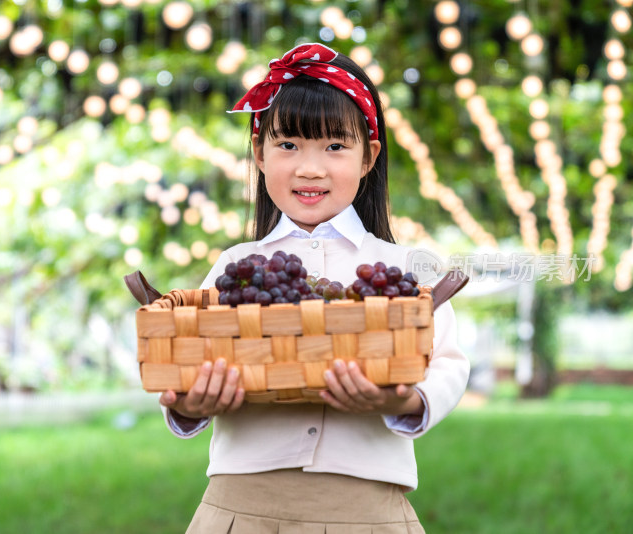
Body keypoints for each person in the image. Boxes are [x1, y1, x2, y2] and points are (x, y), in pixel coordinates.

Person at [158, 43, 469, 533]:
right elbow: (193, 354)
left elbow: (447, 362)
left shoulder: (403, 268)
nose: (309, 167)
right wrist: (188, 406)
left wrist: (404, 400)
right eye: (288, 145)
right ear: (259, 154)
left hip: (365, 514)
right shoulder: (237, 265)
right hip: (238, 509)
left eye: (334, 146)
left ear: (369, 157)